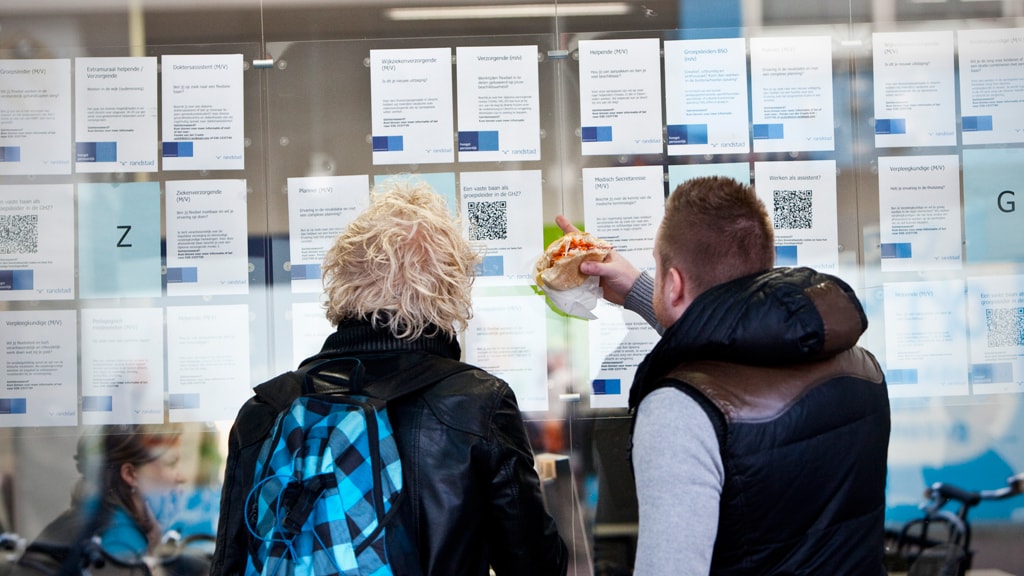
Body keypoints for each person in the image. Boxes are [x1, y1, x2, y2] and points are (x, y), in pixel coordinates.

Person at [211, 179, 568, 576]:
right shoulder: (476, 404)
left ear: (343, 279)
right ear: (449, 289)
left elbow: (229, 564)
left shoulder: (264, 412)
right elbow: (535, 563)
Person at [556, 175, 891, 574]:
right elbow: (733, 339)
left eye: (660, 269)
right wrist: (642, 291)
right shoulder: (860, 367)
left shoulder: (679, 411)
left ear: (675, 284)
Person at [13, 424, 188, 576]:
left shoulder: (95, 521)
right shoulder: (118, 541)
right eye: (171, 463)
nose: (182, 476)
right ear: (130, 474)